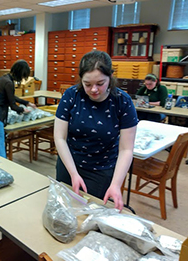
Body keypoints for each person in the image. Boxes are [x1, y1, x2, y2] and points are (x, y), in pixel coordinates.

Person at [54, 50, 138, 210]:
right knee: (64, 209)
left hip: (101, 170)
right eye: (87, 84)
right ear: (81, 79)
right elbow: (59, 138)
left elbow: (126, 149)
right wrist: (73, 173)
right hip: (69, 164)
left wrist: (115, 184)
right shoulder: (72, 96)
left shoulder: (122, 102)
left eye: (100, 83)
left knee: (91, 214)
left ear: (111, 77)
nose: (94, 89)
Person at [0, 60, 36, 158]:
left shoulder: (3, 78)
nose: (22, 79)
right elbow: (12, 105)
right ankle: (1, 171)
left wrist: (27, 103)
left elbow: (11, 97)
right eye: (23, 76)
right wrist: (22, 110)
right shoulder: (9, 83)